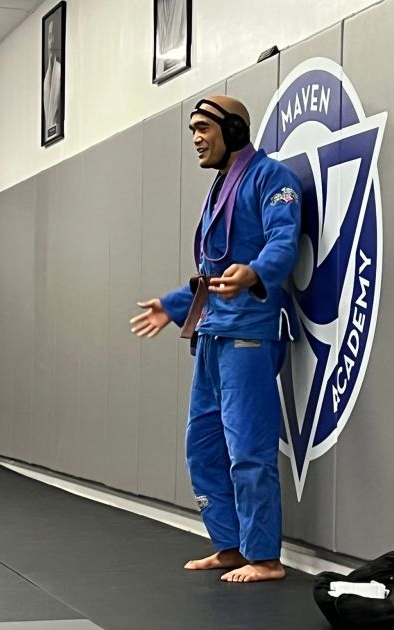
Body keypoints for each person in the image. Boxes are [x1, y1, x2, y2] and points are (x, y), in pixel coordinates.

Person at [130, 96, 302, 583]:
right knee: (203, 446)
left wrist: (256, 271)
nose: (197, 138)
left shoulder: (271, 178)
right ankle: (230, 546)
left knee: (248, 447)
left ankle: (264, 558)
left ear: (235, 130)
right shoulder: (221, 185)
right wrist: (172, 305)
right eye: (192, 130)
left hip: (249, 332)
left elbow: (283, 240)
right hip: (212, 332)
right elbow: (214, 271)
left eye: (204, 127)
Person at [43, 18, 62, 138]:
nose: (52, 40)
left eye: (54, 35)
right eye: (50, 36)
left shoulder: (59, 69)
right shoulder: (46, 77)